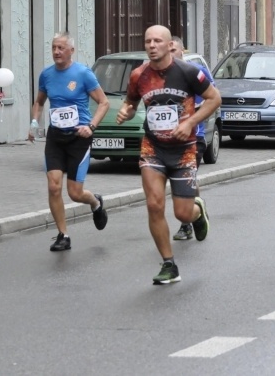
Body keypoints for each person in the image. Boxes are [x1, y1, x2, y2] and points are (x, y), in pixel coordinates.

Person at [117, 25, 221, 285]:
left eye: (157, 41)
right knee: (154, 204)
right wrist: (126, 112)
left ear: (168, 45)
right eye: (147, 41)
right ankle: (168, 264)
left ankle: (196, 210)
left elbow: (214, 98)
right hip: (153, 147)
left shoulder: (188, 72)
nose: (151, 45)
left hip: (184, 149)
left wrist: (189, 123)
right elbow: (131, 103)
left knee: (182, 214)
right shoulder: (139, 75)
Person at [28, 32, 110, 251]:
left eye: (61, 48)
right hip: (56, 137)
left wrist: (91, 126)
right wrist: (34, 124)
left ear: (71, 51)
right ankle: (63, 235)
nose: (56, 52)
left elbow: (103, 103)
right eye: (54, 47)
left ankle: (95, 202)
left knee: (75, 193)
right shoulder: (46, 75)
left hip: (78, 138)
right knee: (54, 187)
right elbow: (39, 101)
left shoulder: (83, 74)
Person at [170, 37, 214, 242]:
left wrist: (194, 111)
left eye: (174, 50)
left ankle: (186, 223)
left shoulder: (195, 71)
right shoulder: (159, 75)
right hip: (168, 141)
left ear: (182, 51)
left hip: (194, 137)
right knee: (185, 182)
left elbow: (213, 96)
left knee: (187, 180)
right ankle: (196, 207)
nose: (170, 54)